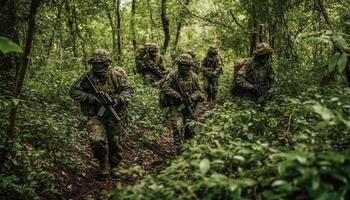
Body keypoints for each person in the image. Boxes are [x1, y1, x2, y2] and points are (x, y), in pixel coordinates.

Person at [69, 49, 134, 179]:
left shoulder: (116, 76)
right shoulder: (87, 77)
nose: (97, 66)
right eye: (94, 63)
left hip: (114, 114)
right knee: (97, 140)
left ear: (107, 63)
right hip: (95, 115)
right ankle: (103, 164)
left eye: (100, 63)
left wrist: (118, 99)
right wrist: (91, 98)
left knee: (115, 141)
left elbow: (129, 90)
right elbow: (73, 91)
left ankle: (115, 166)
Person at [160, 54, 205, 153]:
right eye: (182, 65)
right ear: (179, 64)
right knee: (177, 127)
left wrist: (192, 97)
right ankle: (179, 151)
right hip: (177, 106)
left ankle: (189, 149)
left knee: (190, 128)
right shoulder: (173, 75)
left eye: (186, 65)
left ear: (190, 66)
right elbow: (165, 87)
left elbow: (199, 91)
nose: (184, 67)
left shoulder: (194, 77)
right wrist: (177, 95)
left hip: (190, 106)